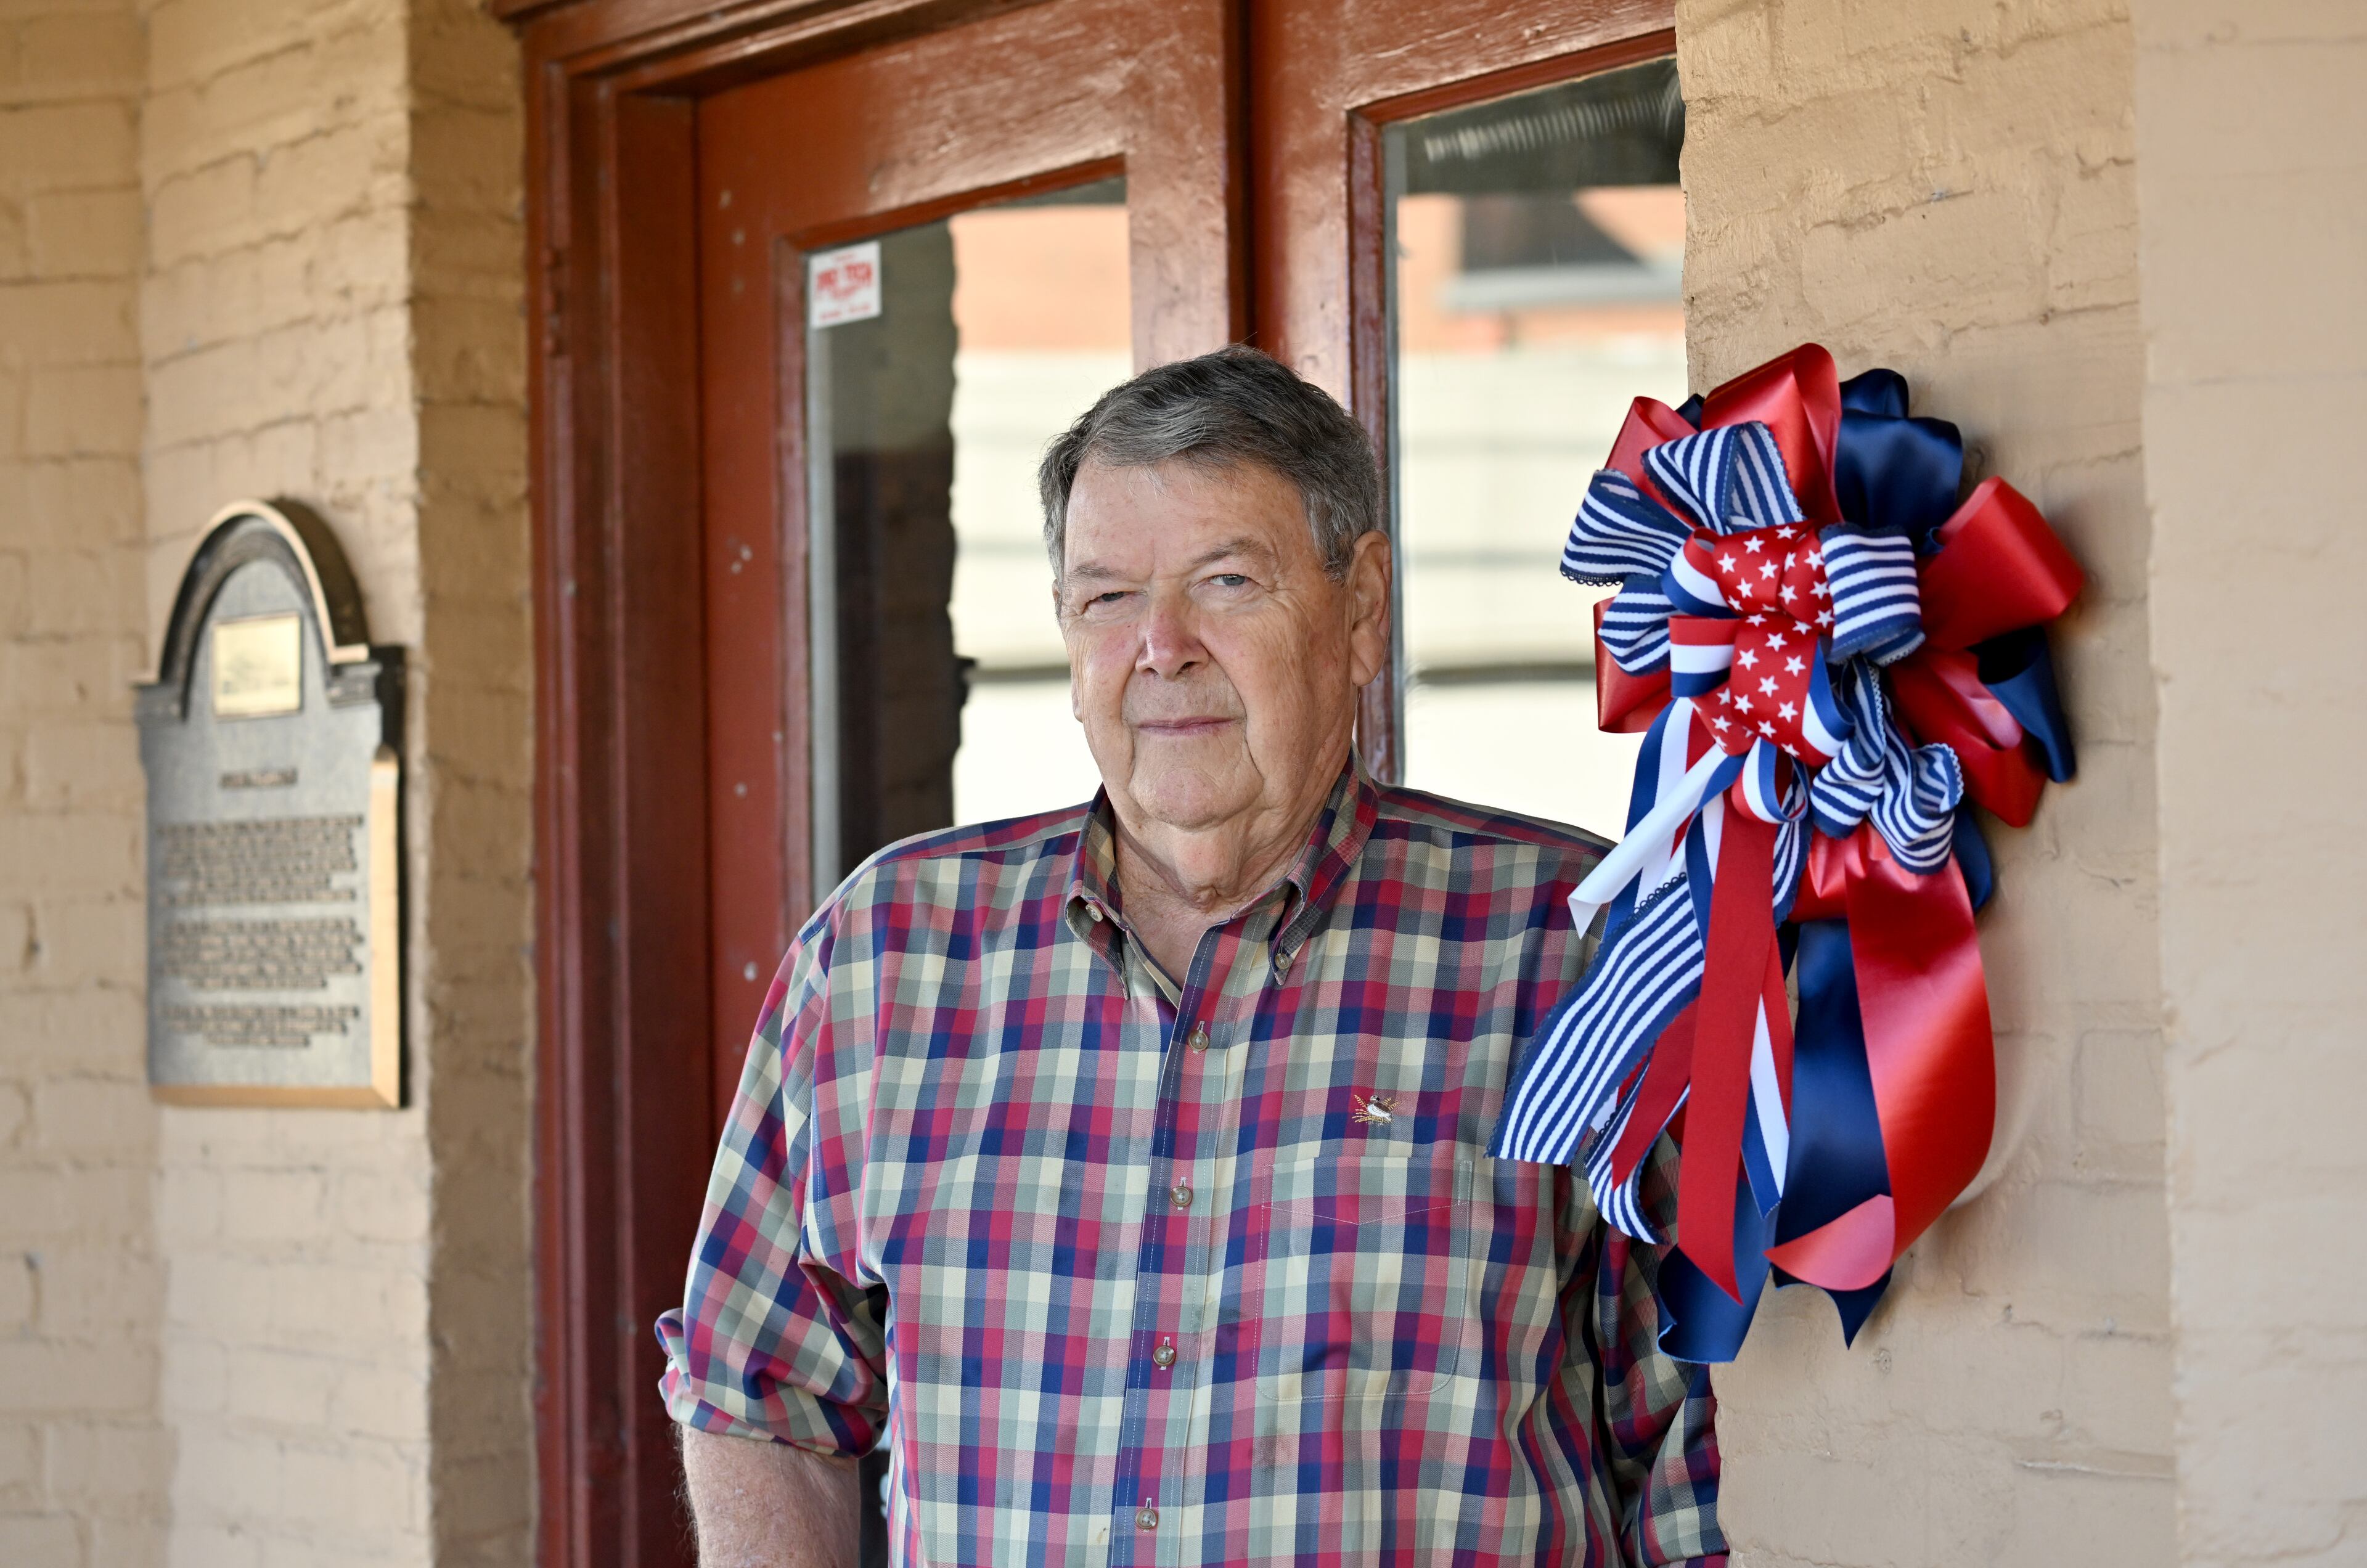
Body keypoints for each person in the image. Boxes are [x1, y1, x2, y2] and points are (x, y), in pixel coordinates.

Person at [657, 345, 1725, 1567]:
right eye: (1107, 596)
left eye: (1225, 581)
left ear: (1361, 610)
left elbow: (1699, 1451)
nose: (1160, 647)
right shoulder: (881, 956)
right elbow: (761, 1394)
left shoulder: (1578, 950)